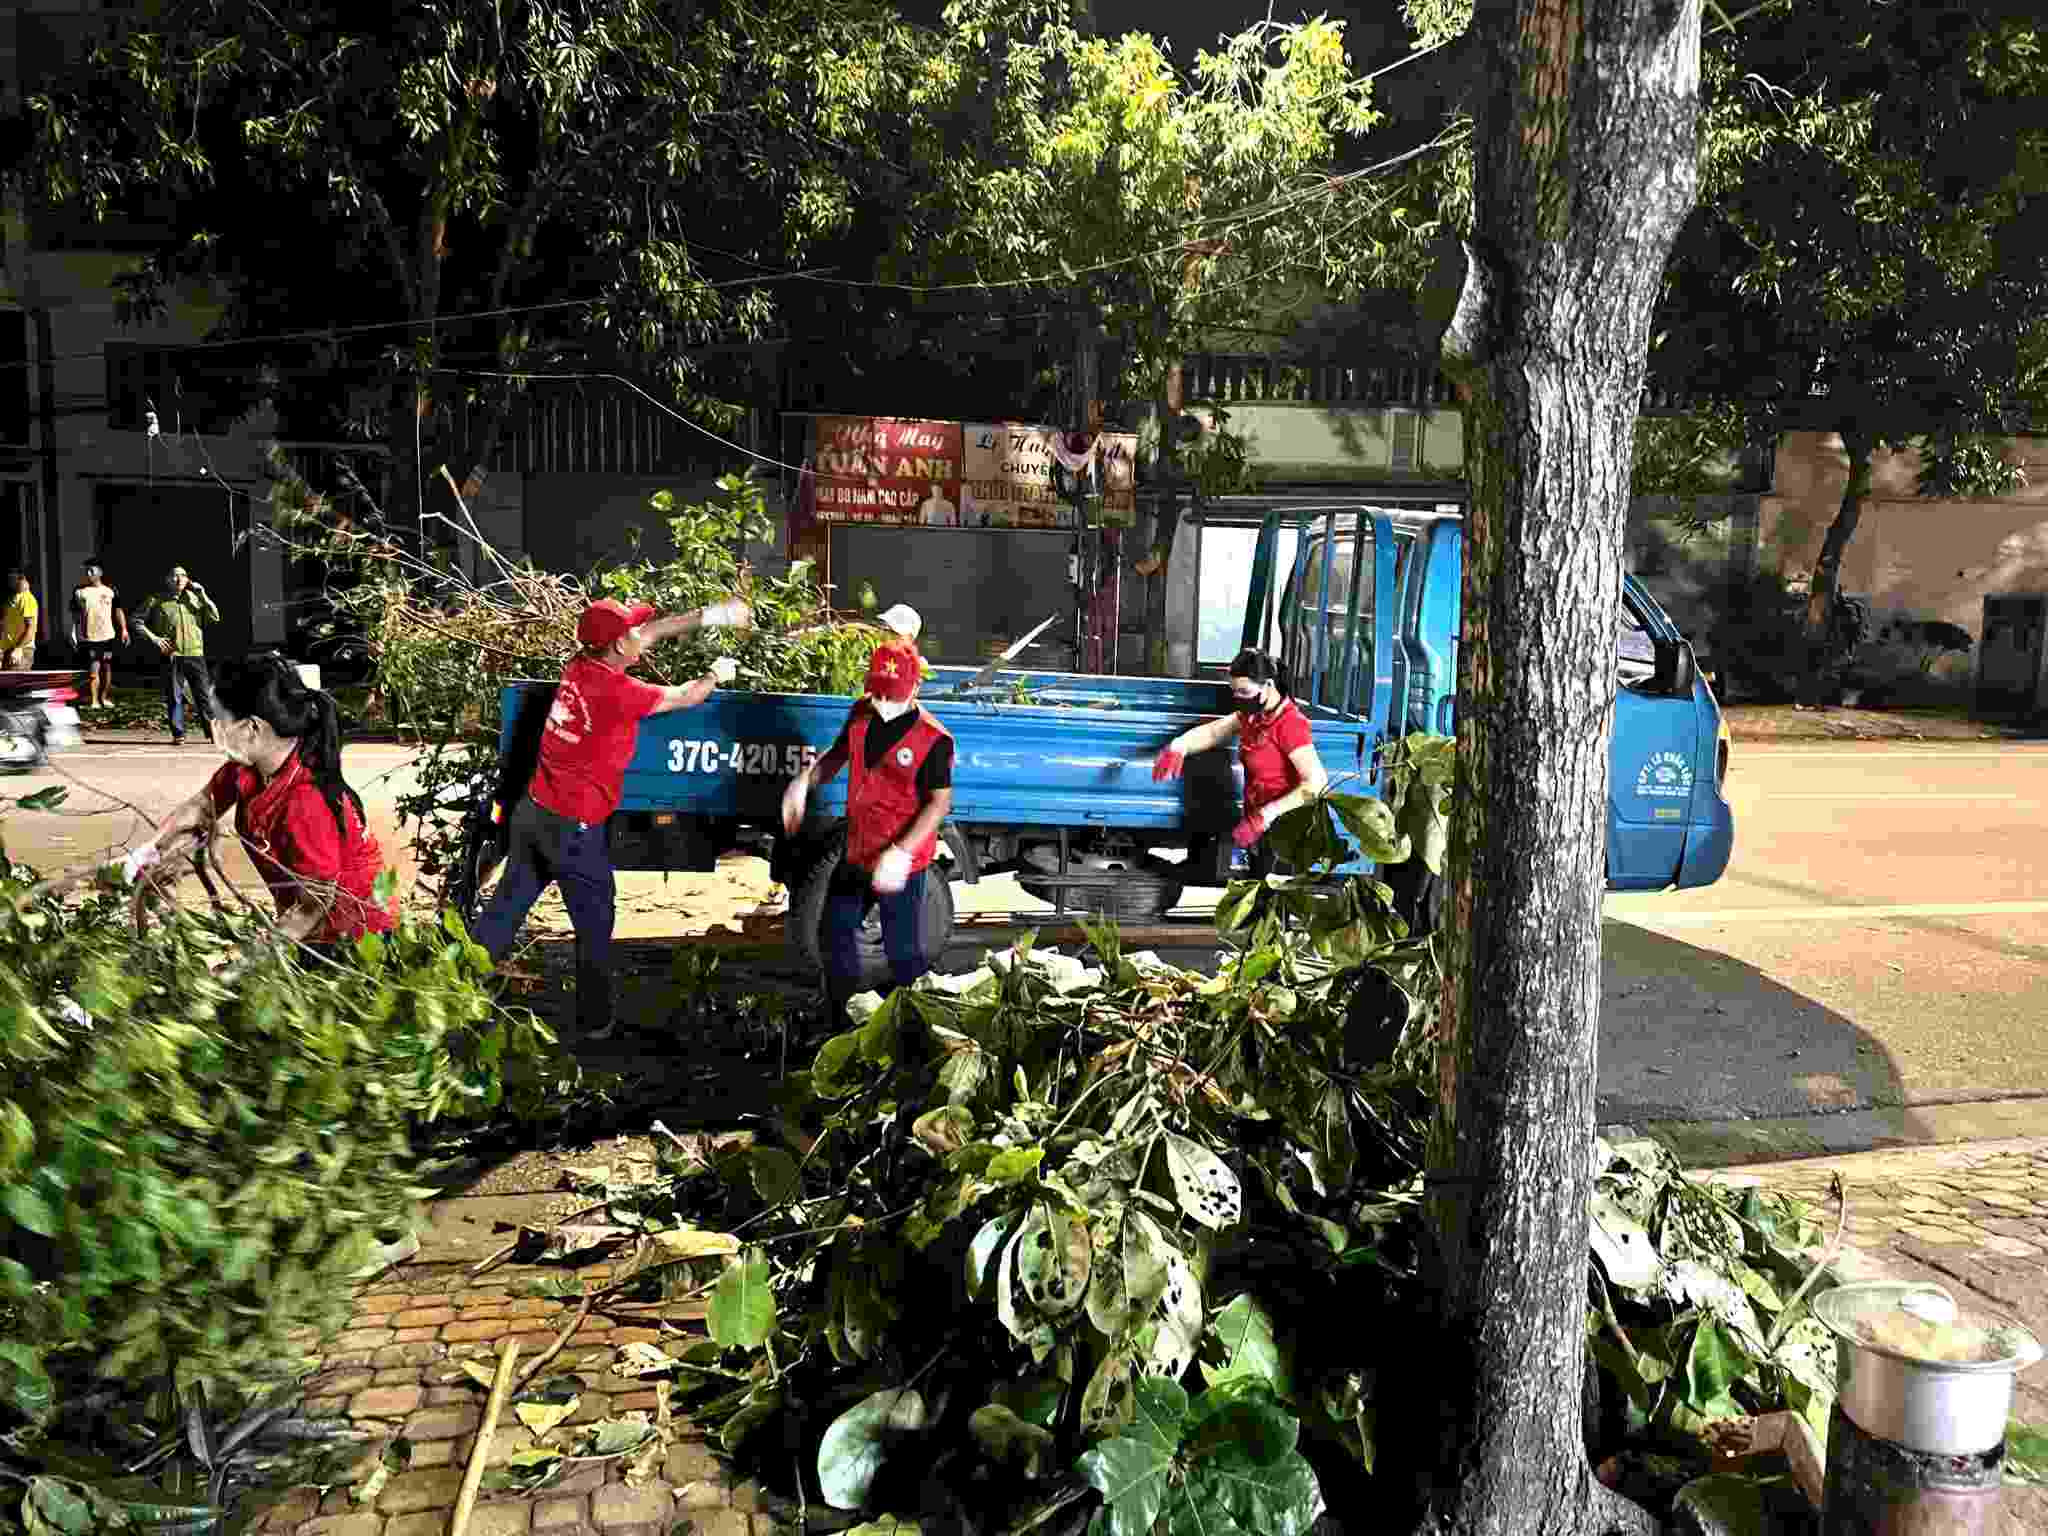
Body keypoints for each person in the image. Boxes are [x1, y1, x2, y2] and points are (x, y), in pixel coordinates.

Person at [471, 594, 751, 1039]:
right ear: (619, 646)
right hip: (573, 827)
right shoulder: (619, 693)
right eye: (631, 631)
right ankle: (595, 1021)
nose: (641, 634)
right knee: (596, 922)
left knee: (506, 909)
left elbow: (653, 630)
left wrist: (714, 616)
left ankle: (462, 993)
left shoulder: (579, 664)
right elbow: (688, 696)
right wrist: (716, 673)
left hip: (534, 812)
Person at [123, 654, 396, 948]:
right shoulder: (248, 769)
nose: (215, 727)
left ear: (253, 728)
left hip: (353, 941)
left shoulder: (305, 801)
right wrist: (148, 852)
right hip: (302, 930)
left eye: (221, 719)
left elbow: (312, 906)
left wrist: (250, 962)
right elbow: (201, 807)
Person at [780, 637, 954, 1024]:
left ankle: (909, 1027)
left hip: (901, 863)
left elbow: (938, 804)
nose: (884, 703)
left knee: (903, 954)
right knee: (834, 936)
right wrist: (804, 783)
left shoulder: (933, 740)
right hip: (858, 850)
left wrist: (902, 852)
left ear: (916, 687)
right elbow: (837, 755)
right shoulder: (861, 712)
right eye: (878, 693)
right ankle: (839, 1021)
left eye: (894, 695)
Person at [1151, 648, 1329, 867]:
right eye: (1235, 691)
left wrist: (1266, 815)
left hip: (1286, 829)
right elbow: (1214, 732)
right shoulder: (1253, 716)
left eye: (1244, 691)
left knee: (1272, 885)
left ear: (1268, 685)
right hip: (1258, 823)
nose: (1238, 698)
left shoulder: (1289, 723)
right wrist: (1179, 746)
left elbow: (1316, 782)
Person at [133, 566, 221, 743]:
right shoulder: (156, 600)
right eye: (175, 576)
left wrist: (203, 594)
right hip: (172, 654)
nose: (179, 579)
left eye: (183, 575)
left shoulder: (195, 598)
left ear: (187, 580)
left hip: (195, 653)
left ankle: (213, 732)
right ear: (167, 580)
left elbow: (215, 617)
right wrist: (155, 638)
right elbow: (136, 620)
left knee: (203, 695)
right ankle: (178, 733)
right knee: (175, 696)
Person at [69, 562, 128, 708]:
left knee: (106, 667)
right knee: (93, 668)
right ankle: (94, 701)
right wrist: (73, 632)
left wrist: (124, 629)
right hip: (89, 637)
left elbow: (118, 610)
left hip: (108, 636)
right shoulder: (79, 591)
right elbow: (75, 615)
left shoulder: (110, 590)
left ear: (100, 573)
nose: (88, 574)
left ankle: (104, 698)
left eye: (91, 571)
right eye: (86, 571)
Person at [2, 570, 39, 670]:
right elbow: (5, 628)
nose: (11, 582)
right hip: (8, 650)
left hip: (22, 651)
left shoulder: (27, 599)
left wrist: (18, 649)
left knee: (14, 679)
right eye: (10, 579)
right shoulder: (11, 600)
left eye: (14, 579)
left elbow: (31, 628)